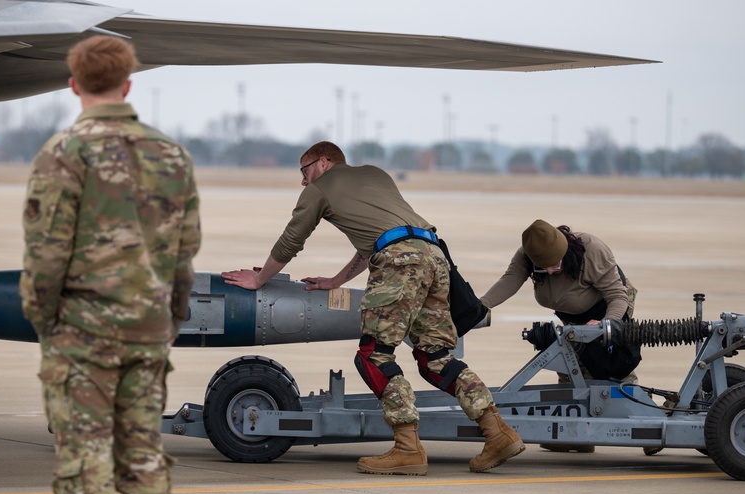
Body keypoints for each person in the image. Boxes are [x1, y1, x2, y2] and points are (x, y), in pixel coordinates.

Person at [19, 36, 201, 494]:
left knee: (86, 456)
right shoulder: (172, 156)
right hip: (148, 333)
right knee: (143, 455)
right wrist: (169, 320)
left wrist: (45, 322)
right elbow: (184, 254)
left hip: (84, 334)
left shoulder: (65, 153)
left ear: (74, 84)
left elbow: (46, 255)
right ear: (128, 84)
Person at [222, 141, 523, 476]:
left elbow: (292, 240)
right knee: (436, 359)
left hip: (399, 262)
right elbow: (377, 239)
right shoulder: (375, 175)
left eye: (304, 171)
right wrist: (336, 280)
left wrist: (259, 279)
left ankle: (408, 449)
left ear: (323, 162)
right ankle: (498, 433)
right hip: (435, 256)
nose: (303, 181)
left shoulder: (319, 188)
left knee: (373, 356)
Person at [480, 219, 638, 452]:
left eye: (555, 264)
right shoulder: (528, 253)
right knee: (569, 362)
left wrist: (607, 325)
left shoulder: (592, 250)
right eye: (544, 267)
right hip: (572, 315)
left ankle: (642, 416)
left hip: (608, 307)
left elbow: (617, 295)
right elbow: (510, 280)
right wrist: (481, 306)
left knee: (611, 364)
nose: (551, 271)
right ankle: (572, 433)